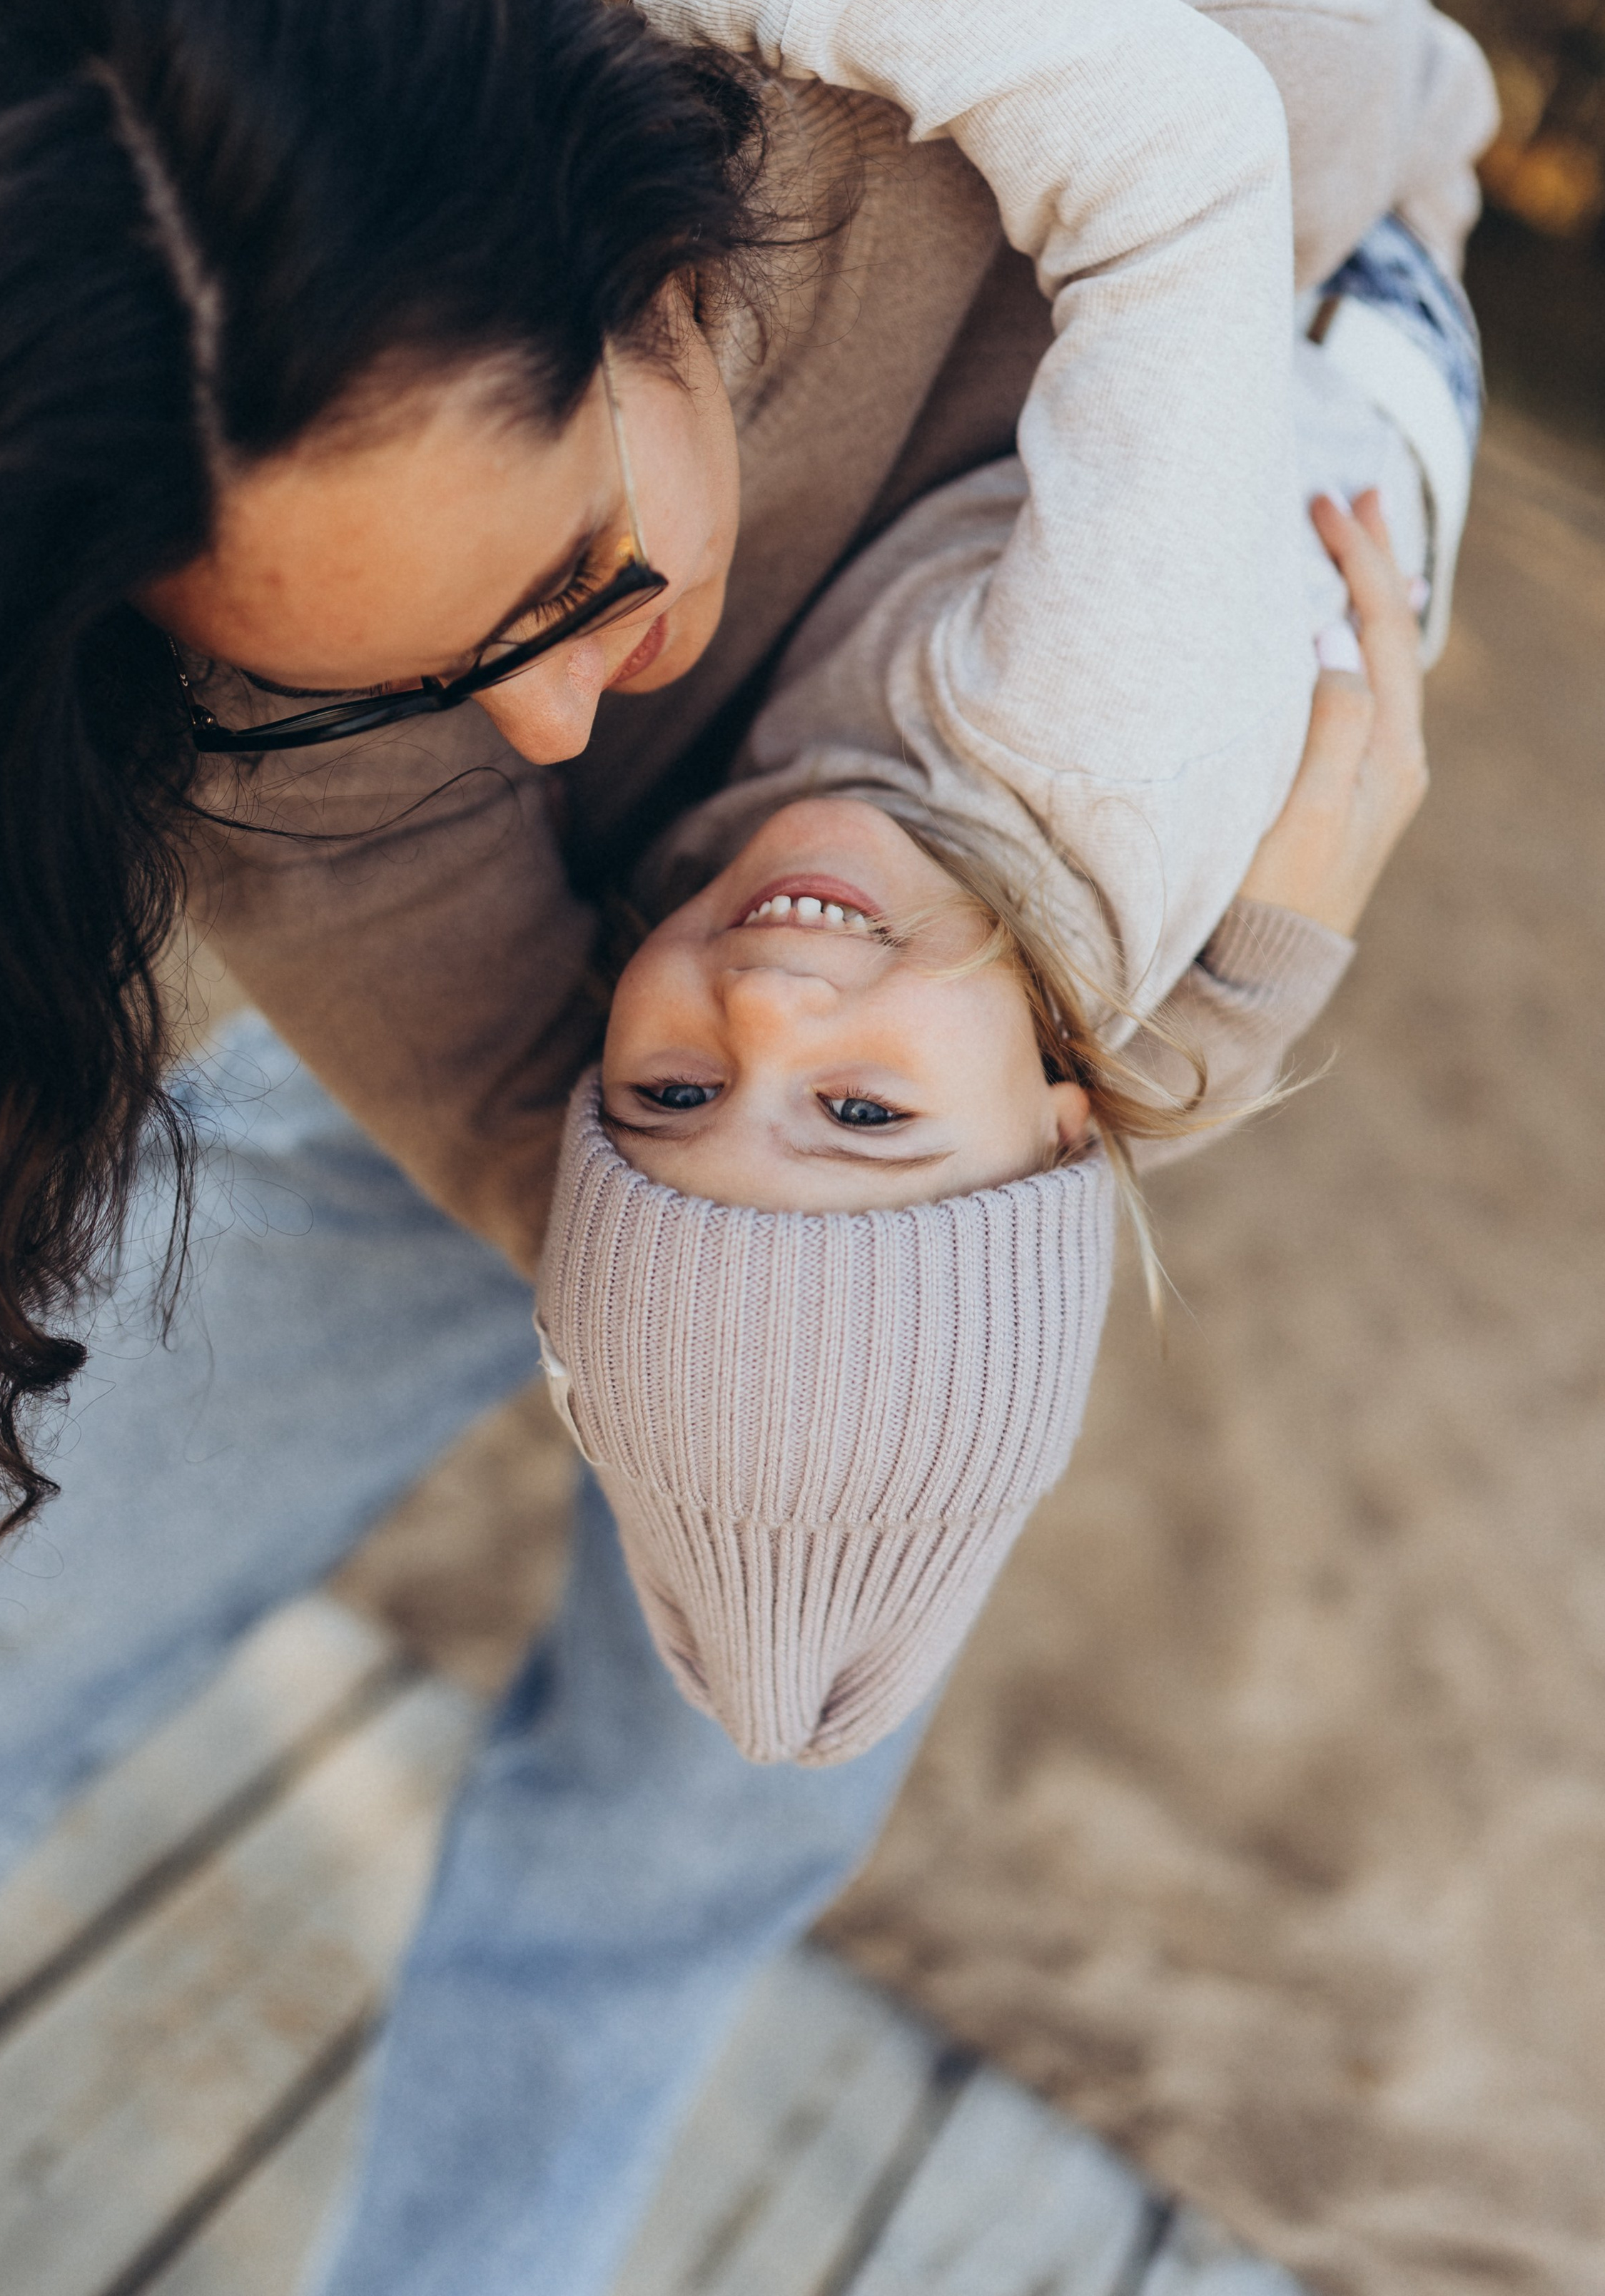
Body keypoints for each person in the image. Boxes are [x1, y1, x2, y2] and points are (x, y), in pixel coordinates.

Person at [0, 0, 1492, 2295]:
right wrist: (1167, 1018)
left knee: (746, 1742)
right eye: (415, 680)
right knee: (11, 1590)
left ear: (661, 267)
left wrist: (988, 1129)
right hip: (628, 1095)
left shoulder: (1022, 94)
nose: (556, 727)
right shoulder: (237, 681)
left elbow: (1336, 79)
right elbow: (521, 1082)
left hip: (967, 1073)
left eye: (574, 573)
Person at [539, 197, 1480, 1764]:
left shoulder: (731, 902)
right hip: (1320, 229)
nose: (760, 1013)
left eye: (674, 1095)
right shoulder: (1114, 726)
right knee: (846, 1581)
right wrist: (1219, 1004)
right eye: (859, 1111)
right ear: (1058, 1130)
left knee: (827, 1568)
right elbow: (1226, 157)